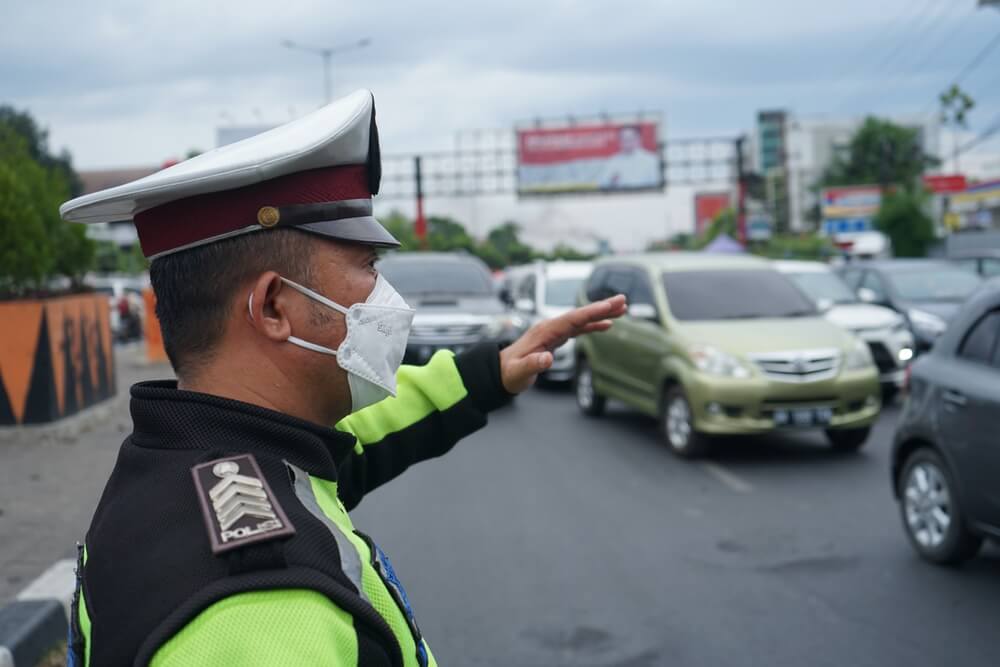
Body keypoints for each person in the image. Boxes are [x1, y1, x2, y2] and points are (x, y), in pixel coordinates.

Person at [59, 90, 626, 666]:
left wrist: (488, 374)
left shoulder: (191, 463)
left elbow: (358, 440)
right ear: (275, 308)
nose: (388, 298)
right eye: (368, 267)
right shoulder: (262, 613)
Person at [599, 125, 661, 189]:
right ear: (619, 141)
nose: (627, 143)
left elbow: (657, 184)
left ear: (638, 139)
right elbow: (603, 184)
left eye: (630, 139)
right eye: (624, 139)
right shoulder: (612, 161)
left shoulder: (651, 160)